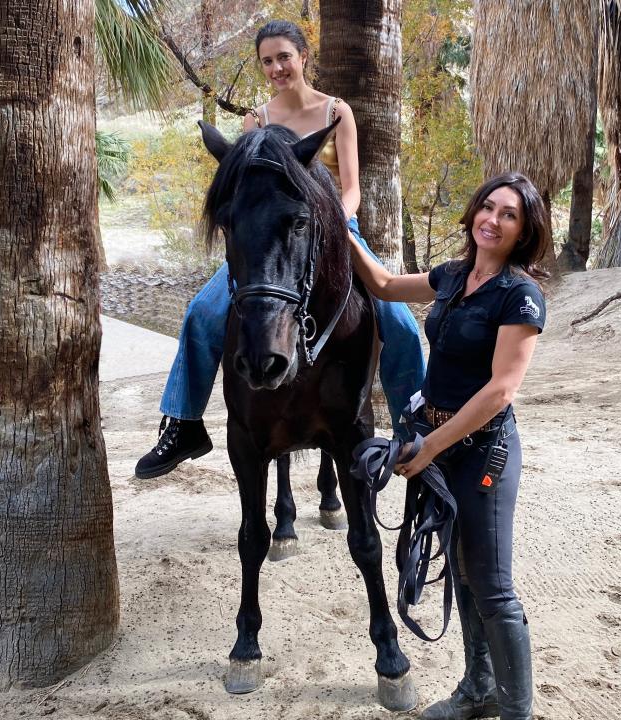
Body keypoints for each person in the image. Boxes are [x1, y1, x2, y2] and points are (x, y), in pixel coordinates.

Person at [135, 19, 425, 479]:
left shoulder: (337, 112)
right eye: (267, 61)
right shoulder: (257, 121)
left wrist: (335, 226)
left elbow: (352, 188)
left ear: (303, 57)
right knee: (202, 313)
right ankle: (184, 424)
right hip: (271, 242)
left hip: (333, 230)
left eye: (284, 57)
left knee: (400, 321)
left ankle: (415, 422)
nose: (276, 68)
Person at [349, 172, 549, 720]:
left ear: (524, 230)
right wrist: (340, 225)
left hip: (483, 449)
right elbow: (386, 286)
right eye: (489, 207)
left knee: (492, 584)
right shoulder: (453, 276)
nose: (494, 219)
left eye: (509, 214)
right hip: (442, 445)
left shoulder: (520, 295)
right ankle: (479, 689)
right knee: (461, 570)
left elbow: (501, 390)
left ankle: (517, 713)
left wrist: (430, 446)